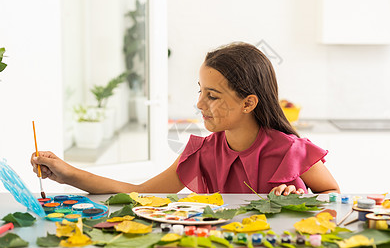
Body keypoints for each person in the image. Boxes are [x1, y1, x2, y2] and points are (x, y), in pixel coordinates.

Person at [31, 42, 340, 195]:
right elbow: (139, 195)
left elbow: (333, 195)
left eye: (213, 96)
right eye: (200, 91)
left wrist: (301, 201)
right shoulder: (203, 153)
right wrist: (66, 173)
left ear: (249, 103)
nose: (199, 103)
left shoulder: (290, 150)